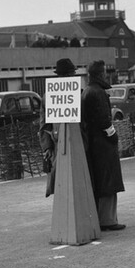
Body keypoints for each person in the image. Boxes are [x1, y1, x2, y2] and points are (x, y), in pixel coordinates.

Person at [81, 60, 126, 231]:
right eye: (105, 72)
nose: (107, 75)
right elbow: (104, 120)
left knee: (100, 181)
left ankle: (102, 218)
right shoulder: (98, 92)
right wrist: (113, 135)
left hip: (92, 143)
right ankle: (108, 219)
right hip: (103, 144)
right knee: (108, 180)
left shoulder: (87, 91)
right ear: (100, 74)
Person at [39, 58, 79, 197]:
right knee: (62, 180)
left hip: (67, 142)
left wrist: (47, 146)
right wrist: (47, 147)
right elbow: (44, 125)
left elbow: (43, 124)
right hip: (61, 143)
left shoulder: (48, 95)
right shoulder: (77, 93)